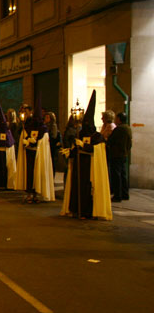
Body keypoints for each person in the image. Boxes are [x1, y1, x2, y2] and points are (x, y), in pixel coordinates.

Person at [60, 90, 112, 219]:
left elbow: (97, 150)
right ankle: (76, 209)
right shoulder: (80, 134)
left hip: (90, 168)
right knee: (76, 188)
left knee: (87, 190)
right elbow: (76, 149)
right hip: (79, 167)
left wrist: (84, 146)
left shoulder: (97, 136)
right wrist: (70, 152)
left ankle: (87, 211)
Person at [15, 95, 55, 203]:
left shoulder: (43, 129)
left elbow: (44, 142)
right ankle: (29, 193)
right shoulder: (27, 127)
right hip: (29, 154)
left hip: (38, 156)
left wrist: (35, 142)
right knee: (29, 174)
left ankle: (36, 193)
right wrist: (26, 141)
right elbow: (23, 136)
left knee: (37, 174)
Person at [107, 112, 132, 202]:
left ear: (120, 119)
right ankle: (125, 194)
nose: (116, 120)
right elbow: (129, 143)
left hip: (116, 155)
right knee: (123, 175)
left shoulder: (119, 129)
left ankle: (118, 195)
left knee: (116, 175)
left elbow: (110, 140)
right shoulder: (128, 128)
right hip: (124, 154)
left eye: (117, 118)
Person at [44, 112, 62, 178]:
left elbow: (53, 136)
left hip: (52, 146)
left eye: (47, 118)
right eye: (45, 117)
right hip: (48, 145)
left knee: (52, 162)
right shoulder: (45, 125)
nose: (46, 119)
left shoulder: (53, 125)